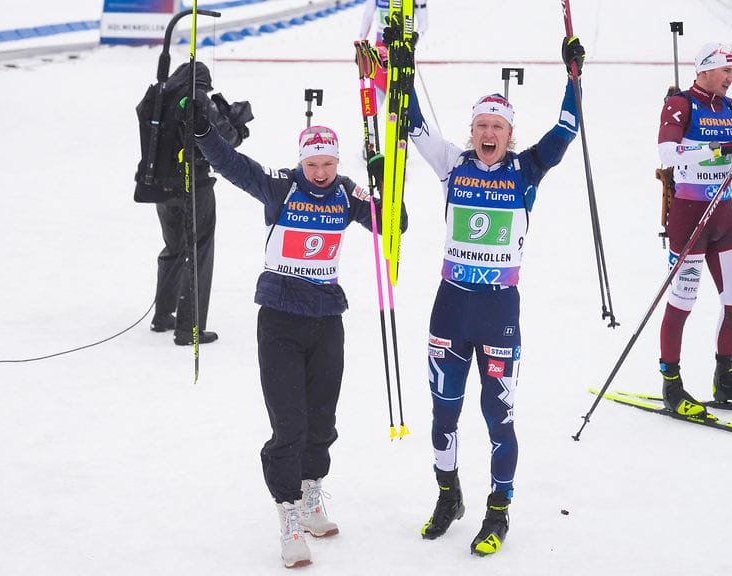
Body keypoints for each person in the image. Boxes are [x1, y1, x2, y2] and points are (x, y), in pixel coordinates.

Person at [190, 99, 404, 567]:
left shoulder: (347, 194)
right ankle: (288, 515)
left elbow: (395, 225)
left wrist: (385, 178)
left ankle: (311, 497)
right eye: (313, 164)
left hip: (327, 319)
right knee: (290, 424)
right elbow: (232, 164)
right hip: (281, 319)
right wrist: (205, 134)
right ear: (301, 161)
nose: (322, 172)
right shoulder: (281, 187)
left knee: (322, 422)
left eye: (328, 163)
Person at [405, 36, 583, 556]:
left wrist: (573, 77)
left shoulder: (525, 172)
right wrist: (403, 65)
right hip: (451, 305)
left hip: (499, 310)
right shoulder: (451, 163)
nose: (488, 134)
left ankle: (498, 510)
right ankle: (448, 496)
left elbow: (567, 129)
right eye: (481, 126)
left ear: (509, 135)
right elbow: (414, 124)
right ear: (472, 131)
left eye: (497, 128)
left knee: (497, 415)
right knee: (443, 412)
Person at [655, 42, 732, 417]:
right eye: (726, 71)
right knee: (682, 302)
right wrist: (722, 149)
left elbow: (731, 156)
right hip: (689, 216)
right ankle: (672, 384)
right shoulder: (681, 104)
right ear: (704, 69)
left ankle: (725, 378)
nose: (731, 79)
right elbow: (668, 154)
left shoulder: (730, 107)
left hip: (724, 214)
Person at [135, 62, 250, 345]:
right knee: (199, 250)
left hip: (162, 186)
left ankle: (162, 315)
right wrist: (237, 126)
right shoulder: (197, 98)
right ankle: (189, 328)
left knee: (174, 247)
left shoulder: (162, 94)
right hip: (193, 185)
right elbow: (223, 138)